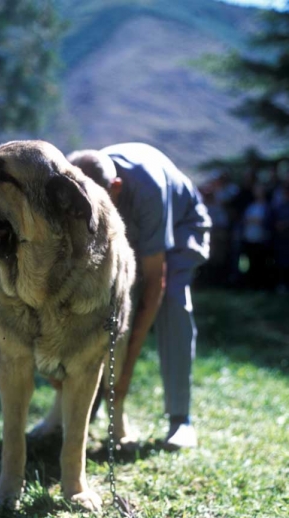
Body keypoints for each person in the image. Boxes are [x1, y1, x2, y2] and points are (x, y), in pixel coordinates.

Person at [67, 143, 211, 448]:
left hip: (182, 224)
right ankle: (79, 407)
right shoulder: (81, 177)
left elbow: (153, 283)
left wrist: (124, 374)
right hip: (130, 221)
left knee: (172, 298)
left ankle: (180, 419)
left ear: (115, 187)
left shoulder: (149, 189)